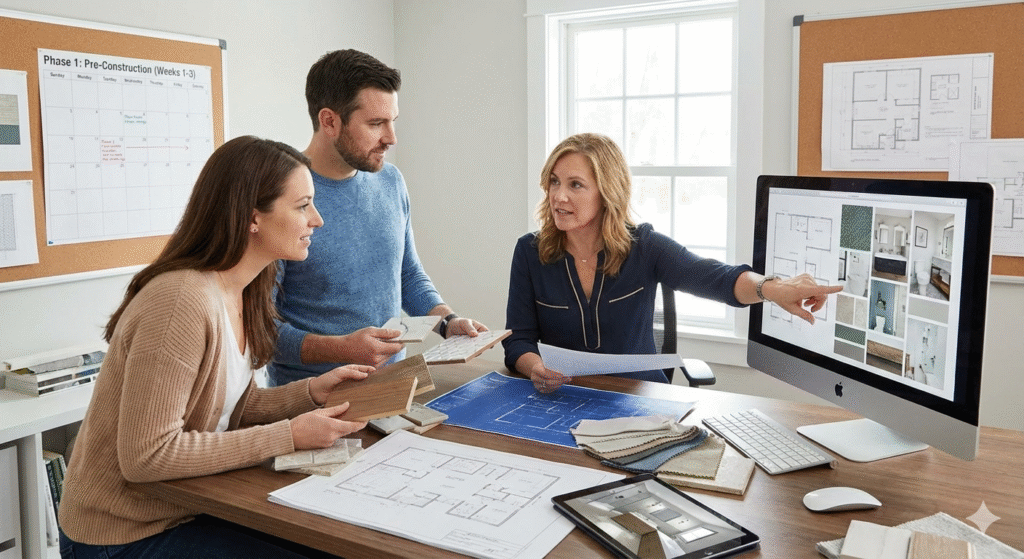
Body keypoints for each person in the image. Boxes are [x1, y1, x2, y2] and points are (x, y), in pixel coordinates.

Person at [58, 136, 371, 559]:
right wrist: (288, 435)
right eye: (302, 206)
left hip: (185, 508)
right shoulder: (179, 302)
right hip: (122, 533)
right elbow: (147, 456)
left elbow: (226, 409)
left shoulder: (242, 289)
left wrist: (311, 393)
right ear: (252, 218)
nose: (316, 219)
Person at [503, 133, 842, 393]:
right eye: (554, 182)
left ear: (607, 192)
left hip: (640, 399)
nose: (559, 196)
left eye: (576, 184)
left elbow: (715, 277)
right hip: (564, 397)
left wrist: (773, 289)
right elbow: (518, 340)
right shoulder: (530, 252)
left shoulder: (645, 247)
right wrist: (535, 368)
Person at [268, 49, 487, 387]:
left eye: (392, 121)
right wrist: (342, 349)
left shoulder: (391, 181)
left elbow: (407, 273)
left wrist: (447, 321)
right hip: (310, 403)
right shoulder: (279, 196)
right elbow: (260, 330)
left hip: (390, 389)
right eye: (375, 124)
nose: (391, 138)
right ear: (329, 121)